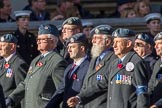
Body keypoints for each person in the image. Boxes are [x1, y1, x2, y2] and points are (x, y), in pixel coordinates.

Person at [67, 28, 150, 108]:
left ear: (128, 44)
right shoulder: (115, 63)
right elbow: (100, 85)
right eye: (114, 42)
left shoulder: (136, 62)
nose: (114, 45)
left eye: (117, 42)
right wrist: (79, 98)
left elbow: (142, 92)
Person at [5, 24, 68, 108]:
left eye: (42, 39)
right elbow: (26, 83)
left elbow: (61, 91)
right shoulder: (36, 60)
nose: (38, 42)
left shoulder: (58, 61)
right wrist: (11, 98)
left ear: (52, 41)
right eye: (38, 39)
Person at [75, 25, 117, 108]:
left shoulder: (114, 59)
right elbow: (86, 85)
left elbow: (104, 85)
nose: (92, 41)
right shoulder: (94, 59)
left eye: (96, 38)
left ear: (108, 41)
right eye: (93, 38)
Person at [45, 33, 90, 108]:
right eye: (68, 47)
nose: (69, 50)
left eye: (72, 47)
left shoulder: (89, 66)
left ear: (82, 48)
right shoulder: (69, 68)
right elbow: (60, 91)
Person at [0, 34, 28, 108]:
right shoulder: (1, 62)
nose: (0, 48)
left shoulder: (19, 64)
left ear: (12, 46)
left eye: (2, 45)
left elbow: (22, 89)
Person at [149, 32, 162, 108]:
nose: (155, 46)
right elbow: (151, 85)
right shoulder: (157, 63)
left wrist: (158, 104)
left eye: (159, 43)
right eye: (155, 44)